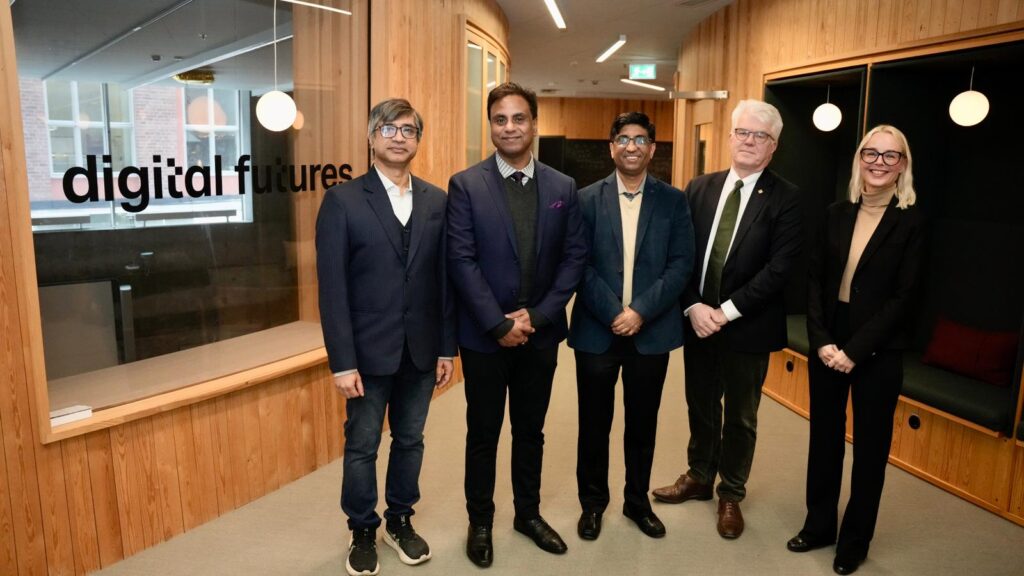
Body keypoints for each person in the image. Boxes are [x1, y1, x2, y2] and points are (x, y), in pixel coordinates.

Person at [447, 82, 587, 568]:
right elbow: (461, 261)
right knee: (483, 432)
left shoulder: (562, 187)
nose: (510, 128)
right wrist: (497, 323)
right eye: (500, 119)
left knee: (531, 430)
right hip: (486, 338)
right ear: (490, 125)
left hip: (541, 333)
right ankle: (480, 520)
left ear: (534, 123)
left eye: (519, 118)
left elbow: (574, 259)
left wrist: (542, 314)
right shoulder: (466, 184)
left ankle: (527, 514)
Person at [316, 98, 456, 576]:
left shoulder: (438, 201)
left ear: (419, 139)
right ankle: (361, 527)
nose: (399, 137)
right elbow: (332, 288)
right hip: (366, 353)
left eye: (409, 130)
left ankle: (399, 520)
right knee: (362, 445)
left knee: (411, 440)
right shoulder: (343, 201)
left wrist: (445, 347)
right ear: (372, 137)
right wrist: (341, 361)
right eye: (389, 128)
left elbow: (445, 282)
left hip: (421, 348)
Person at [652, 99, 802, 540]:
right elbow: (681, 254)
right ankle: (700, 475)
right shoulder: (699, 187)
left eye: (761, 136)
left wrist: (725, 312)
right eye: (743, 132)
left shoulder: (787, 198)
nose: (750, 141)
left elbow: (779, 269)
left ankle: (731, 491)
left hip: (748, 326)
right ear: (730, 137)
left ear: (773, 146)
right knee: (699, 402)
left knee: (741, 415)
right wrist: (694, 306)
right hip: (697, 320)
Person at [786, 125, 925, 575]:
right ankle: (820, 525)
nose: (879, 163)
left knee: (870, 449)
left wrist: (855, 351)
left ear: (902, 165)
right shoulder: (835, 213)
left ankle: (854, 540)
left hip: (879, 347)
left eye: (890, 156)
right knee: (823, 440)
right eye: (871, 153)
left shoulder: (913, 220)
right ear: (859, 159)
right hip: (830, 337)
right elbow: (814, 281)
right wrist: (822, 340)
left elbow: (906, 299)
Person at [568, 112, 694, 541]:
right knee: (593, 425)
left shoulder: (674, 201)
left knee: (643, 425)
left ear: (653, 149)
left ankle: (636, 502)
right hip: (596, 333)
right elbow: (577, 264)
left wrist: (640, 311)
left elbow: (681, 265)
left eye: (641, 140)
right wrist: (612, 313)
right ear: (611, 147)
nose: (632, 147)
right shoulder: (583, 199)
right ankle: (592, 505)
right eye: (623, 139)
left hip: (652, 333)